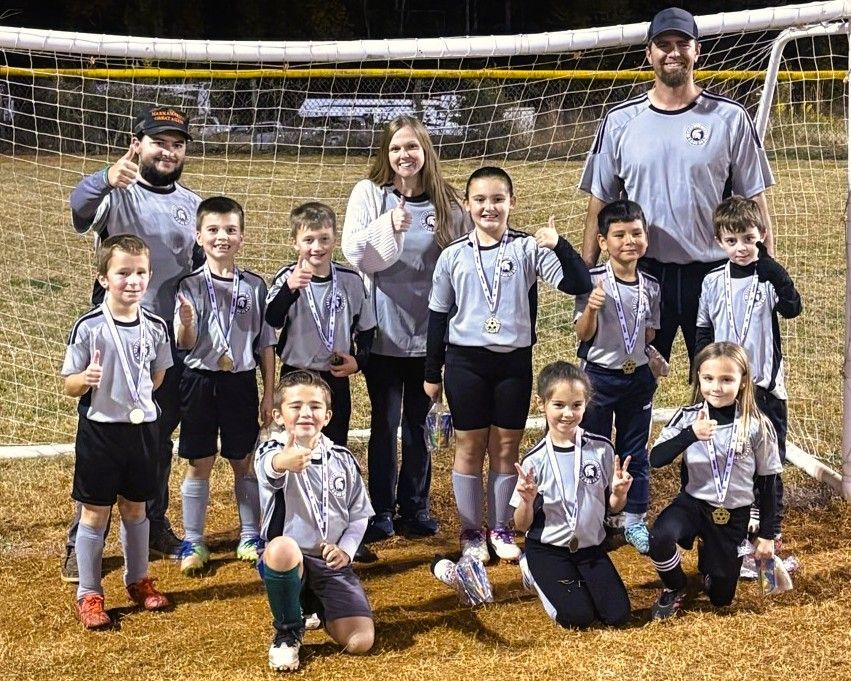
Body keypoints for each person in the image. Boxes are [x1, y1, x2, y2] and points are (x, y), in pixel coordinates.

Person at [579, 6, 775, 364]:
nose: (673, 52)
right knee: (630, 376)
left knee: (723, 377)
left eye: (682, 43)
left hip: (714, 272)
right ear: (649, 54)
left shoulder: (729, 117)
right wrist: (586, 273)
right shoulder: (620, 121)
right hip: (643, 272)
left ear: (696, 50)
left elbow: (755, 200)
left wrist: (767, 271)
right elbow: (600, 202)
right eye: (663, 44)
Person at [424, 166, 592, 563]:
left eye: (498, 199)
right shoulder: (453, 256)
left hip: (513, 363)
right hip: (464, 362)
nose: (489, 207)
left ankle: (500, 528)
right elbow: (437, 315)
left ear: (512, 203)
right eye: (480, 200)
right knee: (469, 446)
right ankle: (470, 533)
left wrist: (559, 245)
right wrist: (432, 373)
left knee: (505, 447)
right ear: (466, 205)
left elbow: (579, 283)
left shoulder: (528, 249)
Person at [65, 106, 202, 579]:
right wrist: (105, 176)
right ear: (137, 144)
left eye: (177, 143)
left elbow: (201, 269)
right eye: (159, 141)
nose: (168, 151)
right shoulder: (117, 192)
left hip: (166, 344)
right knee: (102, 440)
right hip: (115, 342)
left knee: (155, 439)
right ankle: (81, 538)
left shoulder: (192, 202)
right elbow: (79, 210)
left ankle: (156, 523)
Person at [341, 115, 468, 543]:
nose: (404, 155)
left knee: (419, 423)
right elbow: (353, 250)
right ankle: (379, 510)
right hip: (383, 333)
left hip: (429, 335)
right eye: (396, 148)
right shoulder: (370, 194)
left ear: (425, 150)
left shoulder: (448, 203)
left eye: (412, 147)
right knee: (384, 422)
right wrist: (386, 227)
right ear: (386, 153)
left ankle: (415, 506)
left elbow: (467, 261)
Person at [60, 234, 173, 629]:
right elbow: (69, 383)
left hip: (142, 432)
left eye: (140, 273)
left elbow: (158, 377)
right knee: (95, 513)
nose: (133, 281)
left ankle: (137, 579)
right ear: (104, 278)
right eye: (123, 272)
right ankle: (89, 592)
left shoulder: (156, 326)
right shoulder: (89, 326)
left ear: (149, 276)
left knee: (137, 507)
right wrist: (84, 379)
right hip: (101, 433)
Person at [173, 196, 277, 574]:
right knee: (199, 462)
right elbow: (184, 342)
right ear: (199, 236)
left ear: (242, 236)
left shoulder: (254, 286)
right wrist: (185, 320)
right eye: (213, 230)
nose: (222, 237)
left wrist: (268, 394)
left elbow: (265, 344)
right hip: (198, 381)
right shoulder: (188, 285)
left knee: (243, 461)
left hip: (240, 383)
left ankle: (250, 535)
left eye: (230, 230)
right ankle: (194, 540)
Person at [696, 195, 802, 549]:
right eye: (731, 241)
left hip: (764, 387)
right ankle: (739, 527)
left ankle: (772, 532)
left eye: (748, 239)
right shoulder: (712, 281)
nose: (740, 248)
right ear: (719, 242)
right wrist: (702, 375)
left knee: (768, 464)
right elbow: (703, 331)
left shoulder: (768, 277)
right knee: (731, 457)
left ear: (761, 234)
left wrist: (775, 271)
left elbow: (792, 310)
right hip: (726, 389)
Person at [648, 342, 782, 619]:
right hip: (693, 504)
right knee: (659, 536)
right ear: (698, 377)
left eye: (726, 379)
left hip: (733, 513)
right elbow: (656, 459)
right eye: (708, 378)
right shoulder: (688, 416)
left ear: (743, 382)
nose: (716, 387)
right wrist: (690, 435)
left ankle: (710, 556)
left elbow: (770, 483)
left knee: (721, 599)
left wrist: (768, 534)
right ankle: (676, 586)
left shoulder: (757, 424)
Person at [254, 370, 374, 672]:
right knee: (281, 548)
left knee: (360, 642)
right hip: (289, 560)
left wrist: (345, 549)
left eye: (315, 406)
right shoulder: (271, 450)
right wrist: (285, 461)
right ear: (280, 416)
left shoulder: (343, 459)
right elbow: (271, 467)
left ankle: (316, 604)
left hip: (329, 562)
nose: (306, 412)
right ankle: (287, 632)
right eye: (295, 406)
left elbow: (359, 515)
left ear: (328, 415)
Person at [511, 361, 632, 629]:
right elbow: (521, 525)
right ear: (541, 404)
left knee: (618, 616)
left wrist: (620, 494)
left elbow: (613, 507)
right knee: (578, 618)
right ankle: (531, 569)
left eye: (576, 405)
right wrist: (528, 502)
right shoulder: (534, 460)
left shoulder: (601, 449)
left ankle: (574, 586)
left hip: (589, 550)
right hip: (548, 550)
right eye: (559, 405)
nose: (568, 413)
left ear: (586, 404)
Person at [574, 199, 660, 554]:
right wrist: (592, 310)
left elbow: (650, 332)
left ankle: (634, 519)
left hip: (637, 377)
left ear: (645, 238)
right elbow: (582, 333)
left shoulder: (651, 284)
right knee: (593, 449)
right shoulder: (592, 281)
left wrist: (645, 356)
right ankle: (593, 515)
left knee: (634, 450)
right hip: (598, 378)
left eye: (636, 234)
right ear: (603, 241)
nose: (629, 241)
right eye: (619, 235)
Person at [266, 202, 375, 448]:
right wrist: (289, 289)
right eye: (309, 240)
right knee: (293, 444)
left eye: (324, 239)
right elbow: (272, 319)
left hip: (334, 377)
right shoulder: (287, 277)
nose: (317, 247)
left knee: (333, 445)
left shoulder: (350, 280)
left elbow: (367, 329)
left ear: (334, 239)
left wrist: (359, 361)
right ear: (295, 243)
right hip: (296, 375)